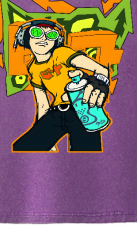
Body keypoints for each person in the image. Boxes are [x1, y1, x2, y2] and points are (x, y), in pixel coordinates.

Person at [11, 19, 111, 152]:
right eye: (36, 33)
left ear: (56, 41)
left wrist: (98, 84)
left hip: (83, 111)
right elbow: (42, 103)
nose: (44, 38)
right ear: (24, 38)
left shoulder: (62, 53)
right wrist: (46, 140)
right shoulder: (33, 68)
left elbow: (101, 69)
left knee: (87, 154)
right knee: (23, 148)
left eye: (51, 35)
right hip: (56, 113)